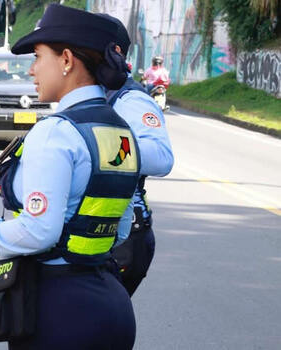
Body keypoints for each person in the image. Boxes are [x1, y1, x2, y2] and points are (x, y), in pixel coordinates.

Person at [0, 4, 140, 349]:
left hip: (59, 310)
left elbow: (39, 231)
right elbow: (120, 227)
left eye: (37, 56)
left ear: (66, 60)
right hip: (112, 304)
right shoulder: (121, 131)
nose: (32, 70)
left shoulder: (54, 133)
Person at [101, 14, 174, 296]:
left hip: (126, 237)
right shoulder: (98, 94)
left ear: (114, 53)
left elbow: (161, 157)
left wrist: (99, 146)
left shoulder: (130, 99)